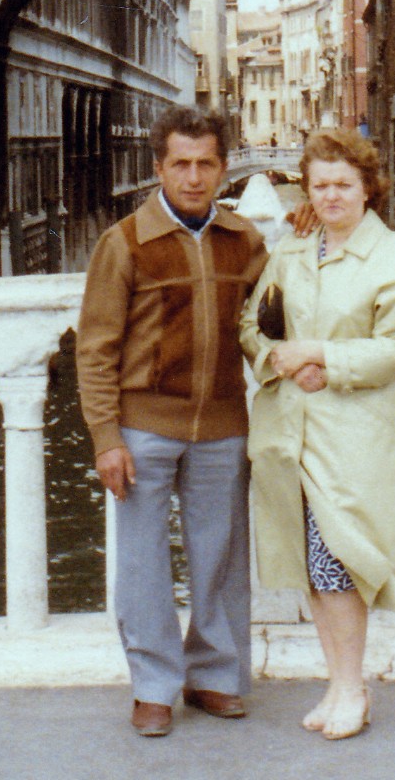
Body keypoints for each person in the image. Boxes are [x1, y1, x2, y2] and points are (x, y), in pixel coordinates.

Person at [77, 105, 269, 738]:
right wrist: (106, 437)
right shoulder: (125, 242)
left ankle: (213, 675)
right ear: (158, 168)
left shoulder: (244, 240)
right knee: (142, 563)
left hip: (222, 425)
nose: (193, 177)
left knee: (221, 558)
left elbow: (276, 310)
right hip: (144, 428)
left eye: (205, 164)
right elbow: (96, 349)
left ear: (224, 168)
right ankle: (153, 686)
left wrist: (309, 227)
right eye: (181, 164)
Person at [239, 128, 395, 741]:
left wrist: (322, 357)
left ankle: (352, 689)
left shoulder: (393, 257)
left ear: (368, 188)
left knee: (339, 564)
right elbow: (253, 323)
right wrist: (278, 359)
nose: (330, 196)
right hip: (291, 431)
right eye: (319, 185)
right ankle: (339, 684)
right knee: (313, 564)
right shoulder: (294, 248)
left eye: (343, 184)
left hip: (354, 438)